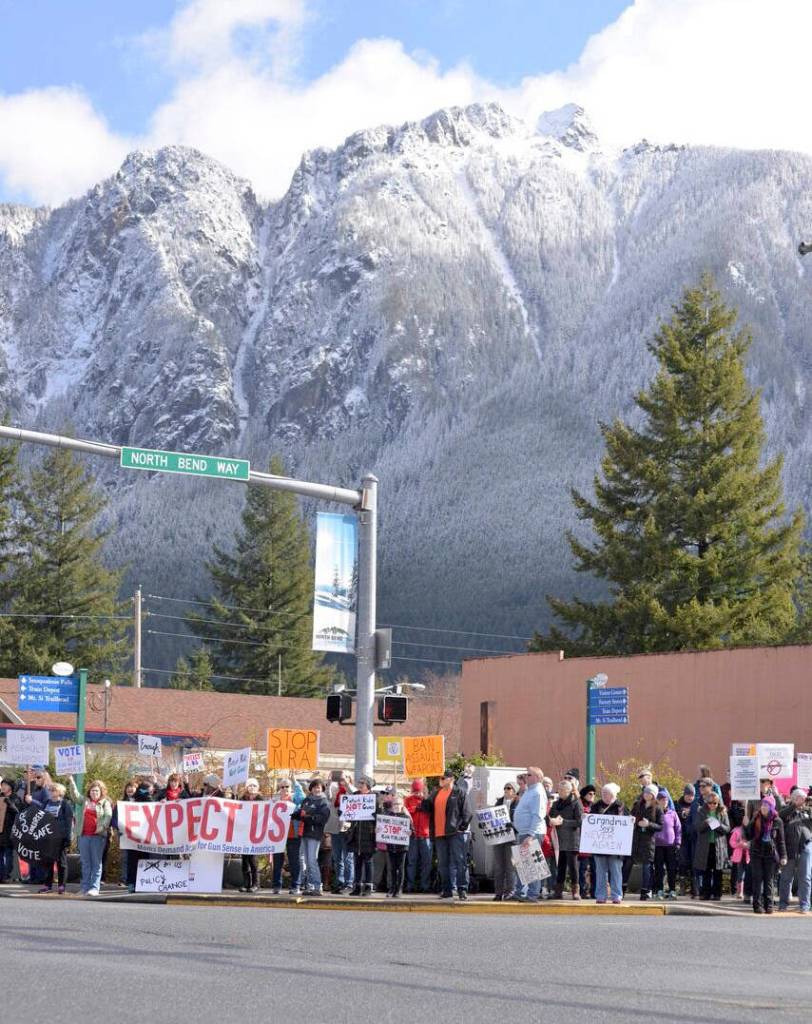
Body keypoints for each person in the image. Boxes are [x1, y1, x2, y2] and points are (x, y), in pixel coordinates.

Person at [422, 769, 473, 901]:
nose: (441, 780)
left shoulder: (459, 792)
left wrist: (462, 827)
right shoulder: (436, 793)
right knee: (443, 863)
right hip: (440, 833)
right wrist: (425, 797)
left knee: (460, 861)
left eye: (443, 778)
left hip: (455, 833)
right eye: (440, 778)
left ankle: (462, 889)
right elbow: (426, 809)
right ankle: (447, 889)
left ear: (451, 779)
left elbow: (467, 811)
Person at [66, 776, 112, 897]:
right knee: (85, 863)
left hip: (97, 837)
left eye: (97, 791)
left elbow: (108, 816)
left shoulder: (105, 803)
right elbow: (75, 795)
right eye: (92, 790)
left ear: (101, 792)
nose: (94, 792)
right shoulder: (85, 801)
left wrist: (102, 827)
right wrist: (71, 781)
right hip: (84, 836)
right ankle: (84, 887)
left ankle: (94, 888)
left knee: (96, 863)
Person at [25, 781, 74, 894]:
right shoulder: (47, 802)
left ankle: (62, 885)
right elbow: (40, 810)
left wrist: (68, 837)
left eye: (54, 790)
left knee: (61, 862)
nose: (52, 792)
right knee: (47, 862)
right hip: (47, 836)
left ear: (60, 792)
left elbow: (69, 822)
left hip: (60, 837)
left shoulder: (65, 804)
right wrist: (31, 800)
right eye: (51, 790)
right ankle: (48, 885)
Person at [510, 766, 548, 903]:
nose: (526, 777)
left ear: (537, 777)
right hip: (524, 831)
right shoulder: (529, 791)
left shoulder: (537, 792)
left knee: (532, 864)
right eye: (526, 774)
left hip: (532, 832)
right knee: (523, 864)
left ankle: (532, 894)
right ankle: (520, 892)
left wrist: (531, 836)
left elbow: (538, 815)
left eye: (529, 775)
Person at [744, 795, 786, 914]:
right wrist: (747, 824)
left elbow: (781, 841)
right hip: (756, 852)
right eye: (762, 805)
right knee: (757, 879)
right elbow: (748, 836)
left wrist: (783, 856)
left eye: (766, 806)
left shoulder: (777, 821)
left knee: (769, 880)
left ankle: (769, 904)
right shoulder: (756, 818)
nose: (763, 807)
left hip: (771, 854)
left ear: (771, 807)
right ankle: (757, 905)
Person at [292, 778, 330, 895]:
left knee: (312, 860)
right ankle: (310, 886)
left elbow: (322, 818)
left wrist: (308, 817)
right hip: (304, 832)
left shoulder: (323, 802)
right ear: (311, 789)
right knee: (306, 861)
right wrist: (297, 815)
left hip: (314, 834)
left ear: (322, 788)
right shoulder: (307, 800)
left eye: (318, 787)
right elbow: (302, 812)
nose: (316, 789)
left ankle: (318, 886)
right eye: (314, 787)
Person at [592, 783, 627, 905]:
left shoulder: (620, 806)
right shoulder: (596, 806)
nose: (604, 795)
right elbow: (590, 822)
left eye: (607, 793)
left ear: (613, 794)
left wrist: (631, 821)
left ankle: (617, 896)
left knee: (616, 871)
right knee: (600, 872)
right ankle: (601, 896)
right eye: (603, 793)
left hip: (615, 847)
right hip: (600, 846)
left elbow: (626, 823)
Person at [778, 789, 812, 913]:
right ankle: (783, 904)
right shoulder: (786, 810)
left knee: (805, 877)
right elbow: (779, 816)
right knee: (786, 877)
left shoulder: (808, 811)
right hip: (789, 848)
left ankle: (804, 905)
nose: (802, 800)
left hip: (806, 846)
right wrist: (794, 805)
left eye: (803, 798)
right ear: (793, 798)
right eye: (799, 798)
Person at [549, 778, 583, 900]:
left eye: (563, 790)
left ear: (569, 791)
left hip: (572, 840)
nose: (560, 792)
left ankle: (575, 891)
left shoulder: (576, 803)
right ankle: (558, 891)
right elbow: (550, 816)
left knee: (573, 867)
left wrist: (564, 822)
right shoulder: (556, 803)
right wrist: (551, 821)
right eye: (559, 790)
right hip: (559, 840)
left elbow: (580, 822)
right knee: (560, 866)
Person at [694, 790, 730, 901]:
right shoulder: (701, 811)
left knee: (718, 871)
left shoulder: (722, 812)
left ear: (718, 803)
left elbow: (727, 829)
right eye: (710, 803)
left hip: (718, 845)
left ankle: (717, 894)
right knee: (706, 871)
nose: (712, 805)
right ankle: (706, 893)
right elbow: (697, 828)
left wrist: (717, 824)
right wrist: (706, 823)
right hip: (705, 846)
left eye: (714, 803)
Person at [270, 778, 304, 895]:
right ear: (279, 789)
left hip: (292, 834)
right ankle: (276, 886)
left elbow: (302, 796)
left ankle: (295, 885)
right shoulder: (275, 801)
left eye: (287, 786)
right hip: (278, 835)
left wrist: (295, 782)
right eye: (282, 787)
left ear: (291, 788)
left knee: (294, 860)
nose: (285, 789)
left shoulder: (295, 799)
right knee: (277, 860)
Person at [346, 776, 377, 896]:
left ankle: (368, 886)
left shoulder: (374, 798)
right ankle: (357, 886)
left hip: (368, 833)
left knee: (368, 861)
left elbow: (378, 815)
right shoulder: (354, 796)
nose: (360, 785)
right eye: (359, 782)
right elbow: (349, 812)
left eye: (363, 783)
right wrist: (343, 813)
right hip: (355, 833)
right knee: (357, 861)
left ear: (368, 786)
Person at [631, 784, 663, 900]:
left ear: (653, 795)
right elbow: (631, 817)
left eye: (649, 793)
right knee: (628, 863)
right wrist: (635, 822)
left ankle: (645, 891)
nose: (646, 795)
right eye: (645, 792)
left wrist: (648, 824)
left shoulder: (658, 808)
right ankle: (623, 888)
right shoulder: (637, 805)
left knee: (647, 866)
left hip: (648, 840)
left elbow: (660, 826)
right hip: (636, 838)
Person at [326, 771, 354, 894]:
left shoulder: (350, 790)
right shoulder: (335, 789)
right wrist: (328, 783)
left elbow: (354, 794)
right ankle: (339, 882)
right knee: (337, 857)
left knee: (348, 857)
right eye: (341, 778)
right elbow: (328, 796)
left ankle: (349, 883)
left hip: (346, 828)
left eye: (345, 777)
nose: (342, 779)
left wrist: (347, 784)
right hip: (335, 827)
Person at [492, 781, 518, 901]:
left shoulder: (518, 802)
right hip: (499, 838)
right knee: (498, 866)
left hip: (512, 838)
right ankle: (498, 892)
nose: (507, 790)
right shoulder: (499, 802)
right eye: (505, 788)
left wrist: (512, 824)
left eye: (509, 788)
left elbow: (521, 819)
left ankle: (510, 891)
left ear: (515, 790)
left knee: (510, 866)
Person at [404, 779, 432, 894]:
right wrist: (416, 809)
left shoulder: (428, 800)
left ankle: (424, 885)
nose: (418, 794)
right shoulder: (408, 800)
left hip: (426, 835)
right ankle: (410, 885)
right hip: (413, 835)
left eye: (419, 791)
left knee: (426, 862)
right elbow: (404, 812)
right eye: (415, 791)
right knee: (412, 861)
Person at [653, 787, 681, 899]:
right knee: (659, 869)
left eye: (666, 800)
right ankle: (659, 890)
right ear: (658, 801)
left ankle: (672, 890)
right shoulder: (654, 812)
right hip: (657, 845)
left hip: (671, 845)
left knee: (672, 869)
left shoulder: (673, 814)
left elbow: (678, 829)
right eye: (662, 800)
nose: (664, 802)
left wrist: (678, 843)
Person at [239, 778, 264, 893]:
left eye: (254, 785)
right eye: (250, 785)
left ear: (257, 788)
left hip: (255, 833)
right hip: (244, 833)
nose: (252, 788)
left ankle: (255, 884)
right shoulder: (242, 799)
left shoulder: (261, 800)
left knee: (253, 860)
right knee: (245, 860)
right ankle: (246, 883)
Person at [385, 793, 411, 897]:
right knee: (392, 868)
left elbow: (411, 830)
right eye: (394, 804)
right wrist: (378, 830)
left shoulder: (406, 818)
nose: (396, 806)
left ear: (402, 805)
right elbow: (383, 829)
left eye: (398, 804)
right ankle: (392, 888)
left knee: (400, 868)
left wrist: (410, 832)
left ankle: (399, 889)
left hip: (402, 847)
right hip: (391, 846)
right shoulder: (387, 817)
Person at [676, 784, 696, 896]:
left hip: (693, 838)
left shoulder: (696, 805)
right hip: (682, 837)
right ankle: (682, 887)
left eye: (692, 795)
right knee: (682, 862)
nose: (690, 797)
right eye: (688, 794)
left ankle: (695, 888)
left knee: (694, 863)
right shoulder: (677, 804)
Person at [0, 779, 22, 883]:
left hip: (9, 830)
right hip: (0, 830)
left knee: (8, 854)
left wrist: (9, 803)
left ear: (10, 787)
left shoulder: (15, 798)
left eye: (5, 785)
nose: (3, 787)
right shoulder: (0, 796)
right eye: (2, 785)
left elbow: (18, 811)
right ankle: (1, 875)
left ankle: (7, 876)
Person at [578, 784, 597, 898]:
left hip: (595, 843)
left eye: (594, 794)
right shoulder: (579, 805)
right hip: (583, 842)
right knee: (583, 869)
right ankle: (583, 891)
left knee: (595, 869)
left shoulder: (595, 806)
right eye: (590, 793)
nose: (592, 796)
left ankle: (595, 891)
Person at [728, 817, 750, 900]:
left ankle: (747, 892)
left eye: (747, 820)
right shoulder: (737, 831)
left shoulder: (752, 829)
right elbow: (731, 842)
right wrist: (739, 844)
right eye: (744, 820)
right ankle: (739, 892)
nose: (745, 822)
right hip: (739, 856)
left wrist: (748, 845)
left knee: (749, 875)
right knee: (740, 875)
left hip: (749, 856)